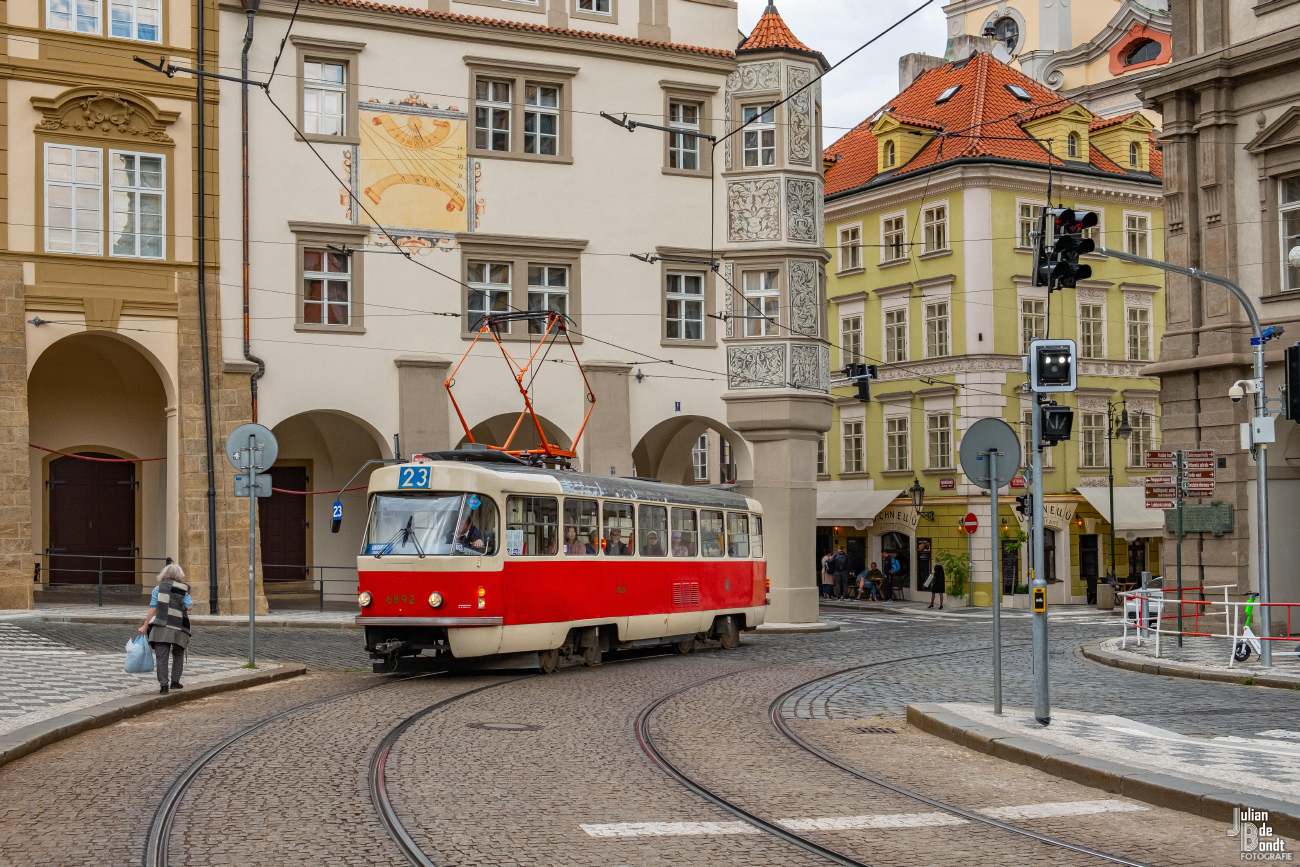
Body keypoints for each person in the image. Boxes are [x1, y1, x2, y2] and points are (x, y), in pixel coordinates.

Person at [139, 563, 193, 695]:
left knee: (161, 656)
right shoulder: (184, 588)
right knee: (178, 653)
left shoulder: (158, 589)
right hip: (179, 626)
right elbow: (189, 607)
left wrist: (145, 625)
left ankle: (163, 685)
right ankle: (175, 681)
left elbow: (153, 609)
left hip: (161, 625)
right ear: (179, 575)